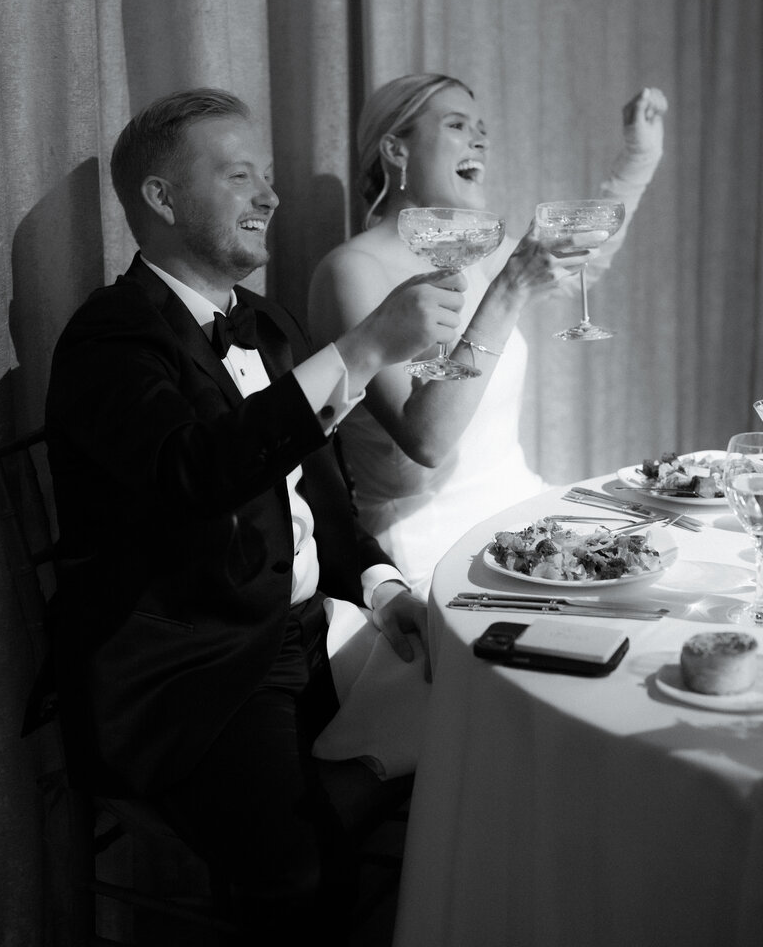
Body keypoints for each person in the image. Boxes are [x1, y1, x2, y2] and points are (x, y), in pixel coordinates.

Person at [44, 87, 467, 943]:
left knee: (488, 704)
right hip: (191, 673)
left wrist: (384, 590)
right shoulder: (109, 339)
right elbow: (192, 474)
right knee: (305, 872)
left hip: (310, 632)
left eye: (268, 177)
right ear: (161, 200)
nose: (271, 198)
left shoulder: (266, 322)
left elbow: (323, 498)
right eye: (241, 177)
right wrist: (361, 349)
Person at [308, 74, 667, 598]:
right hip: (432, 548)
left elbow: (585, 259)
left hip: (526, 517)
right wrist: (505, 294)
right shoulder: (351, 270)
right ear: (394, 149)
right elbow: (426, 440)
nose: (480, 140)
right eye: (457, 125)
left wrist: (638, 158)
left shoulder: (476, 249)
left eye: (482, 130)